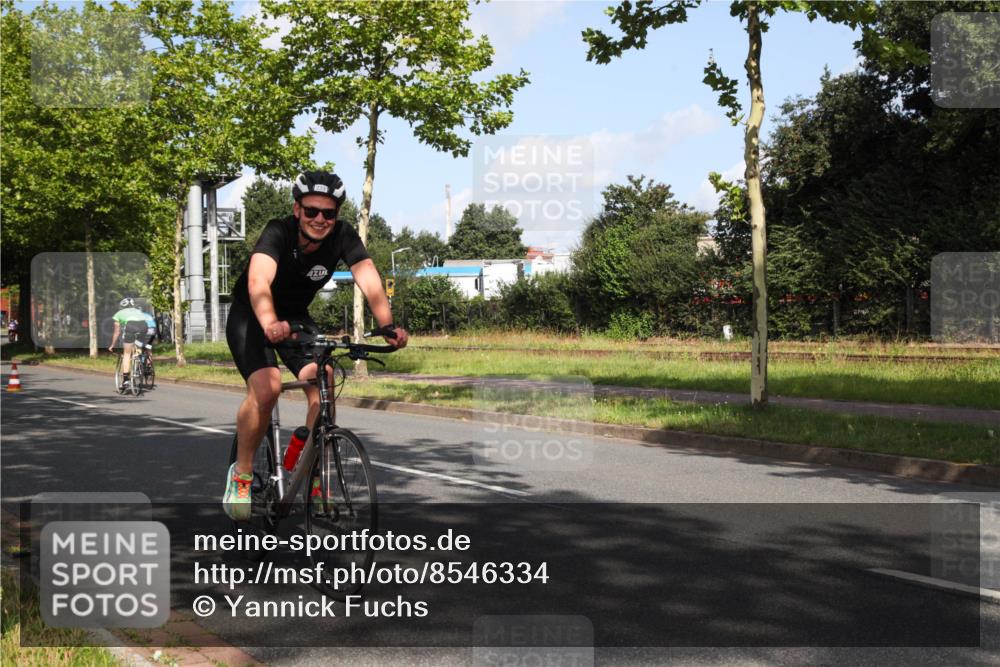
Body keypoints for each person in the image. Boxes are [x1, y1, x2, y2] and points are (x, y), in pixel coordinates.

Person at [223, 171, 408, 520]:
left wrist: (386, 324)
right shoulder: (278, 232)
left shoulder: (342, 236)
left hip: (294, 316)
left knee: (323, 376)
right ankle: (242, 475)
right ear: (297, 209)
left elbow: (368, 277)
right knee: (268, 388)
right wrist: (269, 323)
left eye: (328, 213)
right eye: (311, 211)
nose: (320, 219)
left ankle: (313, 473)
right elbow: (258, 280)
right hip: (252, 314)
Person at [108, 298, 148, 388]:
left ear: (121, 306)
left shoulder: (118, 314)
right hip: (144, 326)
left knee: (127, 353)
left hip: (131, 327)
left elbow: (117, 332)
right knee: (138, 347)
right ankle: (139, 365)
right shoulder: (138, 311)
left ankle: (126, 380)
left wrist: (112, 345)